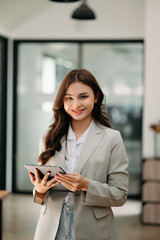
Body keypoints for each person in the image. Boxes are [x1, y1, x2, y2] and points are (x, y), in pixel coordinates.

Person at [28, 68, 129, 240]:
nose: (76, 105)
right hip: (51, 227)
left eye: (83, 96)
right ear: (62, 101)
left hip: (94, 228)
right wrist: (39, 190)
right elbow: (40, 196)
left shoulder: (112, 138)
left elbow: (120, 195)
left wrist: (86, 185)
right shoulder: (48, 137)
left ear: (96, 97)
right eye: (69, 98)